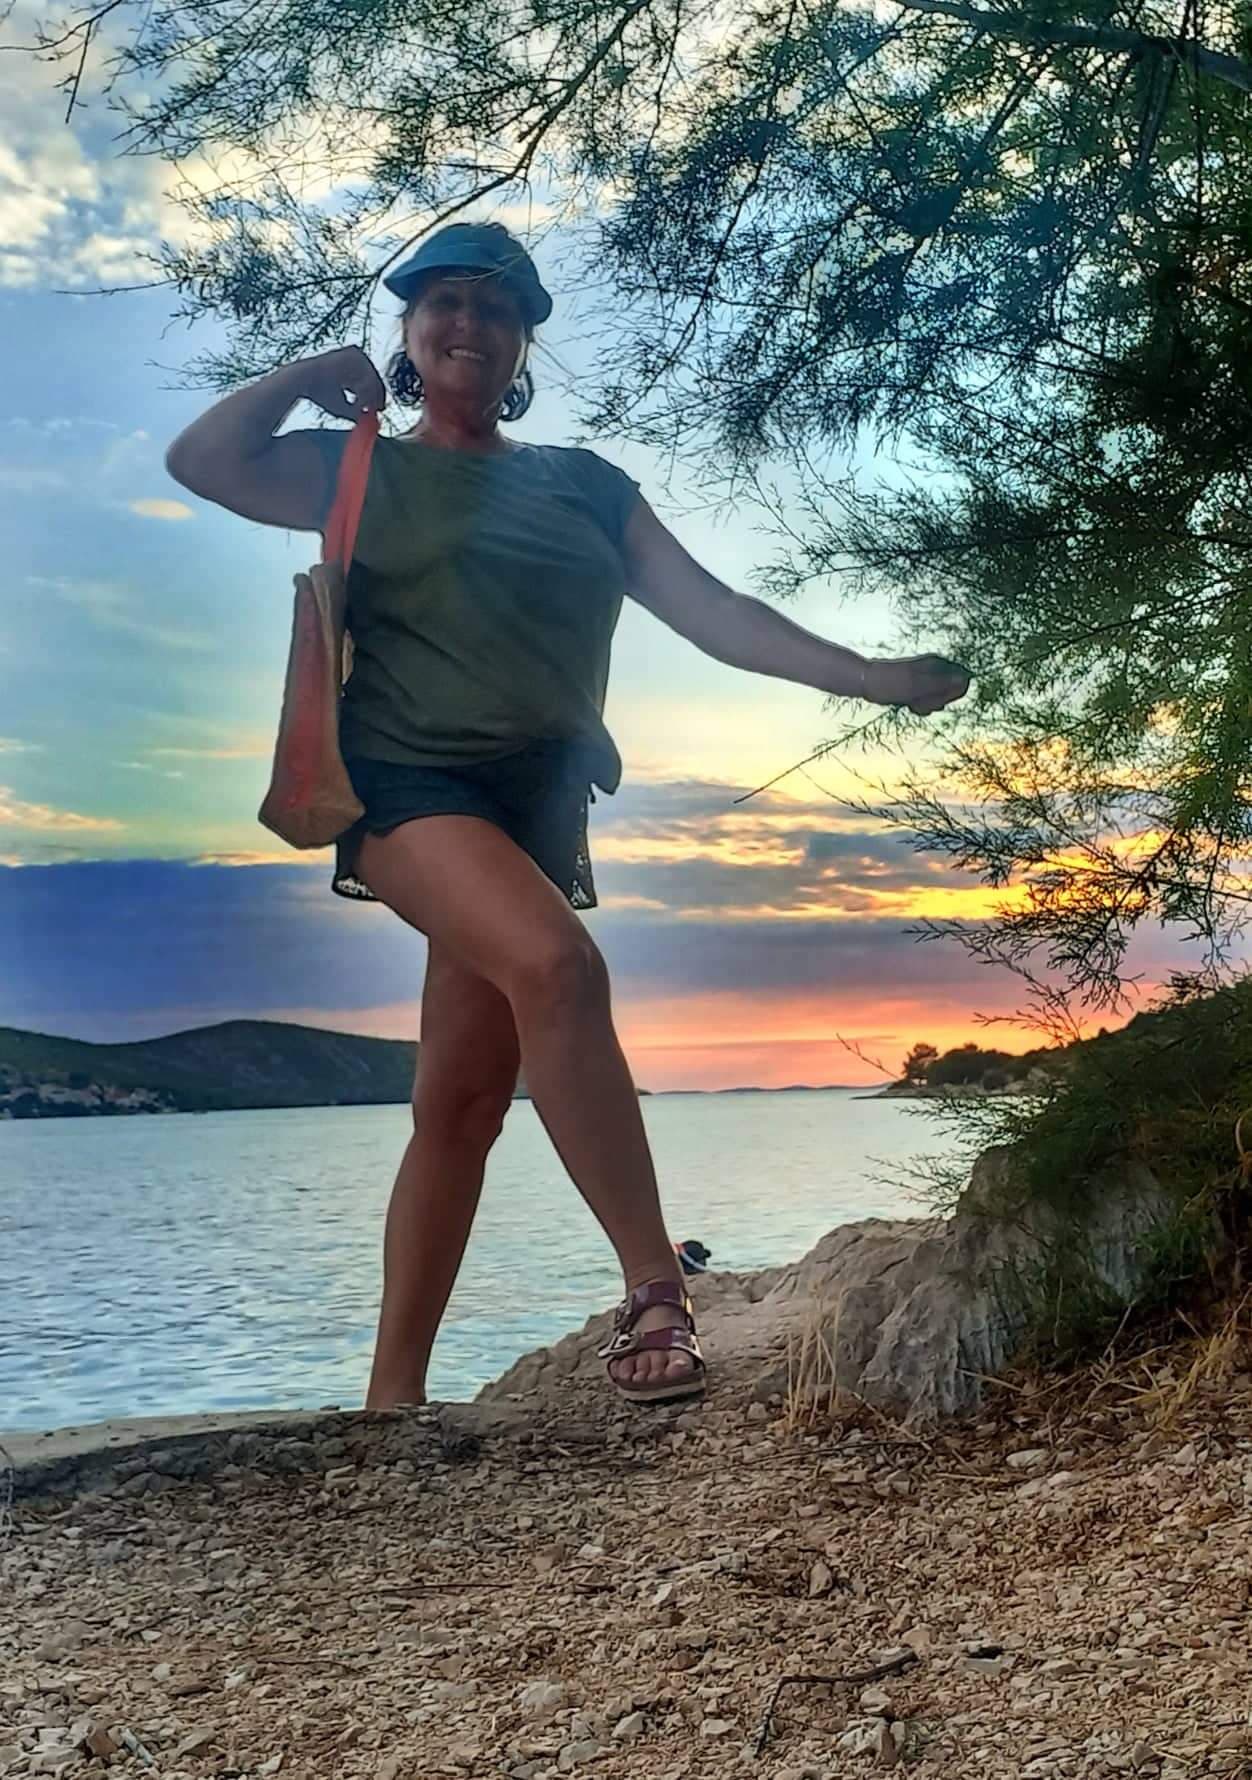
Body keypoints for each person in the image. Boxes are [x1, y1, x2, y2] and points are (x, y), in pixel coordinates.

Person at [166, 221, 970, 1410]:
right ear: (408, 330)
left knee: (461, 1103)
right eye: (443, 303)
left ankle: (390, 1400)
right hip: (404, 786)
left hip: (536, 803)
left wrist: (871, 677)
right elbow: (202, 460)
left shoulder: (585, 485)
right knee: (557, 967)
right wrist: (299, 376)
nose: (467, 324)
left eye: (495, 307)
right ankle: (657, 1286)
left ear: (523, 340)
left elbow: (715, 612)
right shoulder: (356, 468)